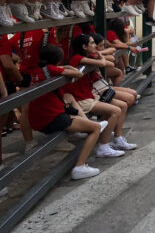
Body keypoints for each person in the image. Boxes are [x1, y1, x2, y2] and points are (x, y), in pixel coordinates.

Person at [28, 45, 104, 180]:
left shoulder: (37, 70)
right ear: (57, 60)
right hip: (51, 118)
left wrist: (63, 68)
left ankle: (85, 124)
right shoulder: (52, 69)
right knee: (96, 128)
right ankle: (80, 166)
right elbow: (78, 73)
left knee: (68, 97)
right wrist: (66, 67)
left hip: (39, 117)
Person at [66, 34, 136, 156]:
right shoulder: (77, 58)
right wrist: (101, 56)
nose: (95, 46)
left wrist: (100, 55)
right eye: (92, 43)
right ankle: (103, 146)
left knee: (123, 106)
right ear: (84, 46)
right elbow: (104, 63)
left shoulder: (89, 55)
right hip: (82, 99)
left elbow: (110, 62)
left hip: (90, 95)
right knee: (115, 111)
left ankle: (118, 139)